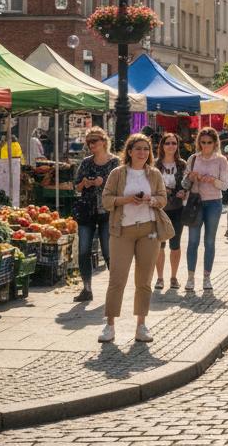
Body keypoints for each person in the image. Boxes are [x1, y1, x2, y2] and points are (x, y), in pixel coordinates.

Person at [98, 133, 166, 344]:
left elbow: (163, 199)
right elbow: (106, 200)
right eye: (138, 148)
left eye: (146, 149)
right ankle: (109, 325)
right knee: (117, 278)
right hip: (122, 231)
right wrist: (127, 199)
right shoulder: (118, 173)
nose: (142, 153)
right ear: (129, 151)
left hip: (149, 230)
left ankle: (141, 325)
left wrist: (151, 200)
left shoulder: (153, 174)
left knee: (144, 280)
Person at [72, 127, 120, 302]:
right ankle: (86, 289)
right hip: (87, 211)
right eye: (88, 141)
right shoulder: (86, 162)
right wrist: (84, 183)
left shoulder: (115, 162)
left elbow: (120, 186)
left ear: (104, 141)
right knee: (83, 250)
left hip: (108, 212)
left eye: (94, 141)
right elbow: (75, 187)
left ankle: (115, 289)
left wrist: (103, 182)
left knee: (108, 251)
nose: (91, 144)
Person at [184, 126, 228, 293]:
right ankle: (190, 277)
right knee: (193, 241)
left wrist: (212, 180)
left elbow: (225, 186)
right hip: (195, 203)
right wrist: (190, 177)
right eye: (202, 142)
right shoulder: (193, 158)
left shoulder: (221, 160)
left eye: (209, 142)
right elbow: (184, 183)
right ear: (199, 142)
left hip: (213, 203)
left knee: (209, 241)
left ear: (215, 143)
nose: (206, 145)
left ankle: (206, 277)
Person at [153, 134, 187, 292]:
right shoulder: (155, 165)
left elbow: (187, 184)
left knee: (175, 244)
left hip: (177, 209)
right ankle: (160, 278)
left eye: (174, 143)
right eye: (168, 143)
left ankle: (173, 277)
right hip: (159, 210)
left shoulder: (182, 164)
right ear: (162, 145)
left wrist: (184, 191)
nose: (171, 146)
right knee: (159, 244)